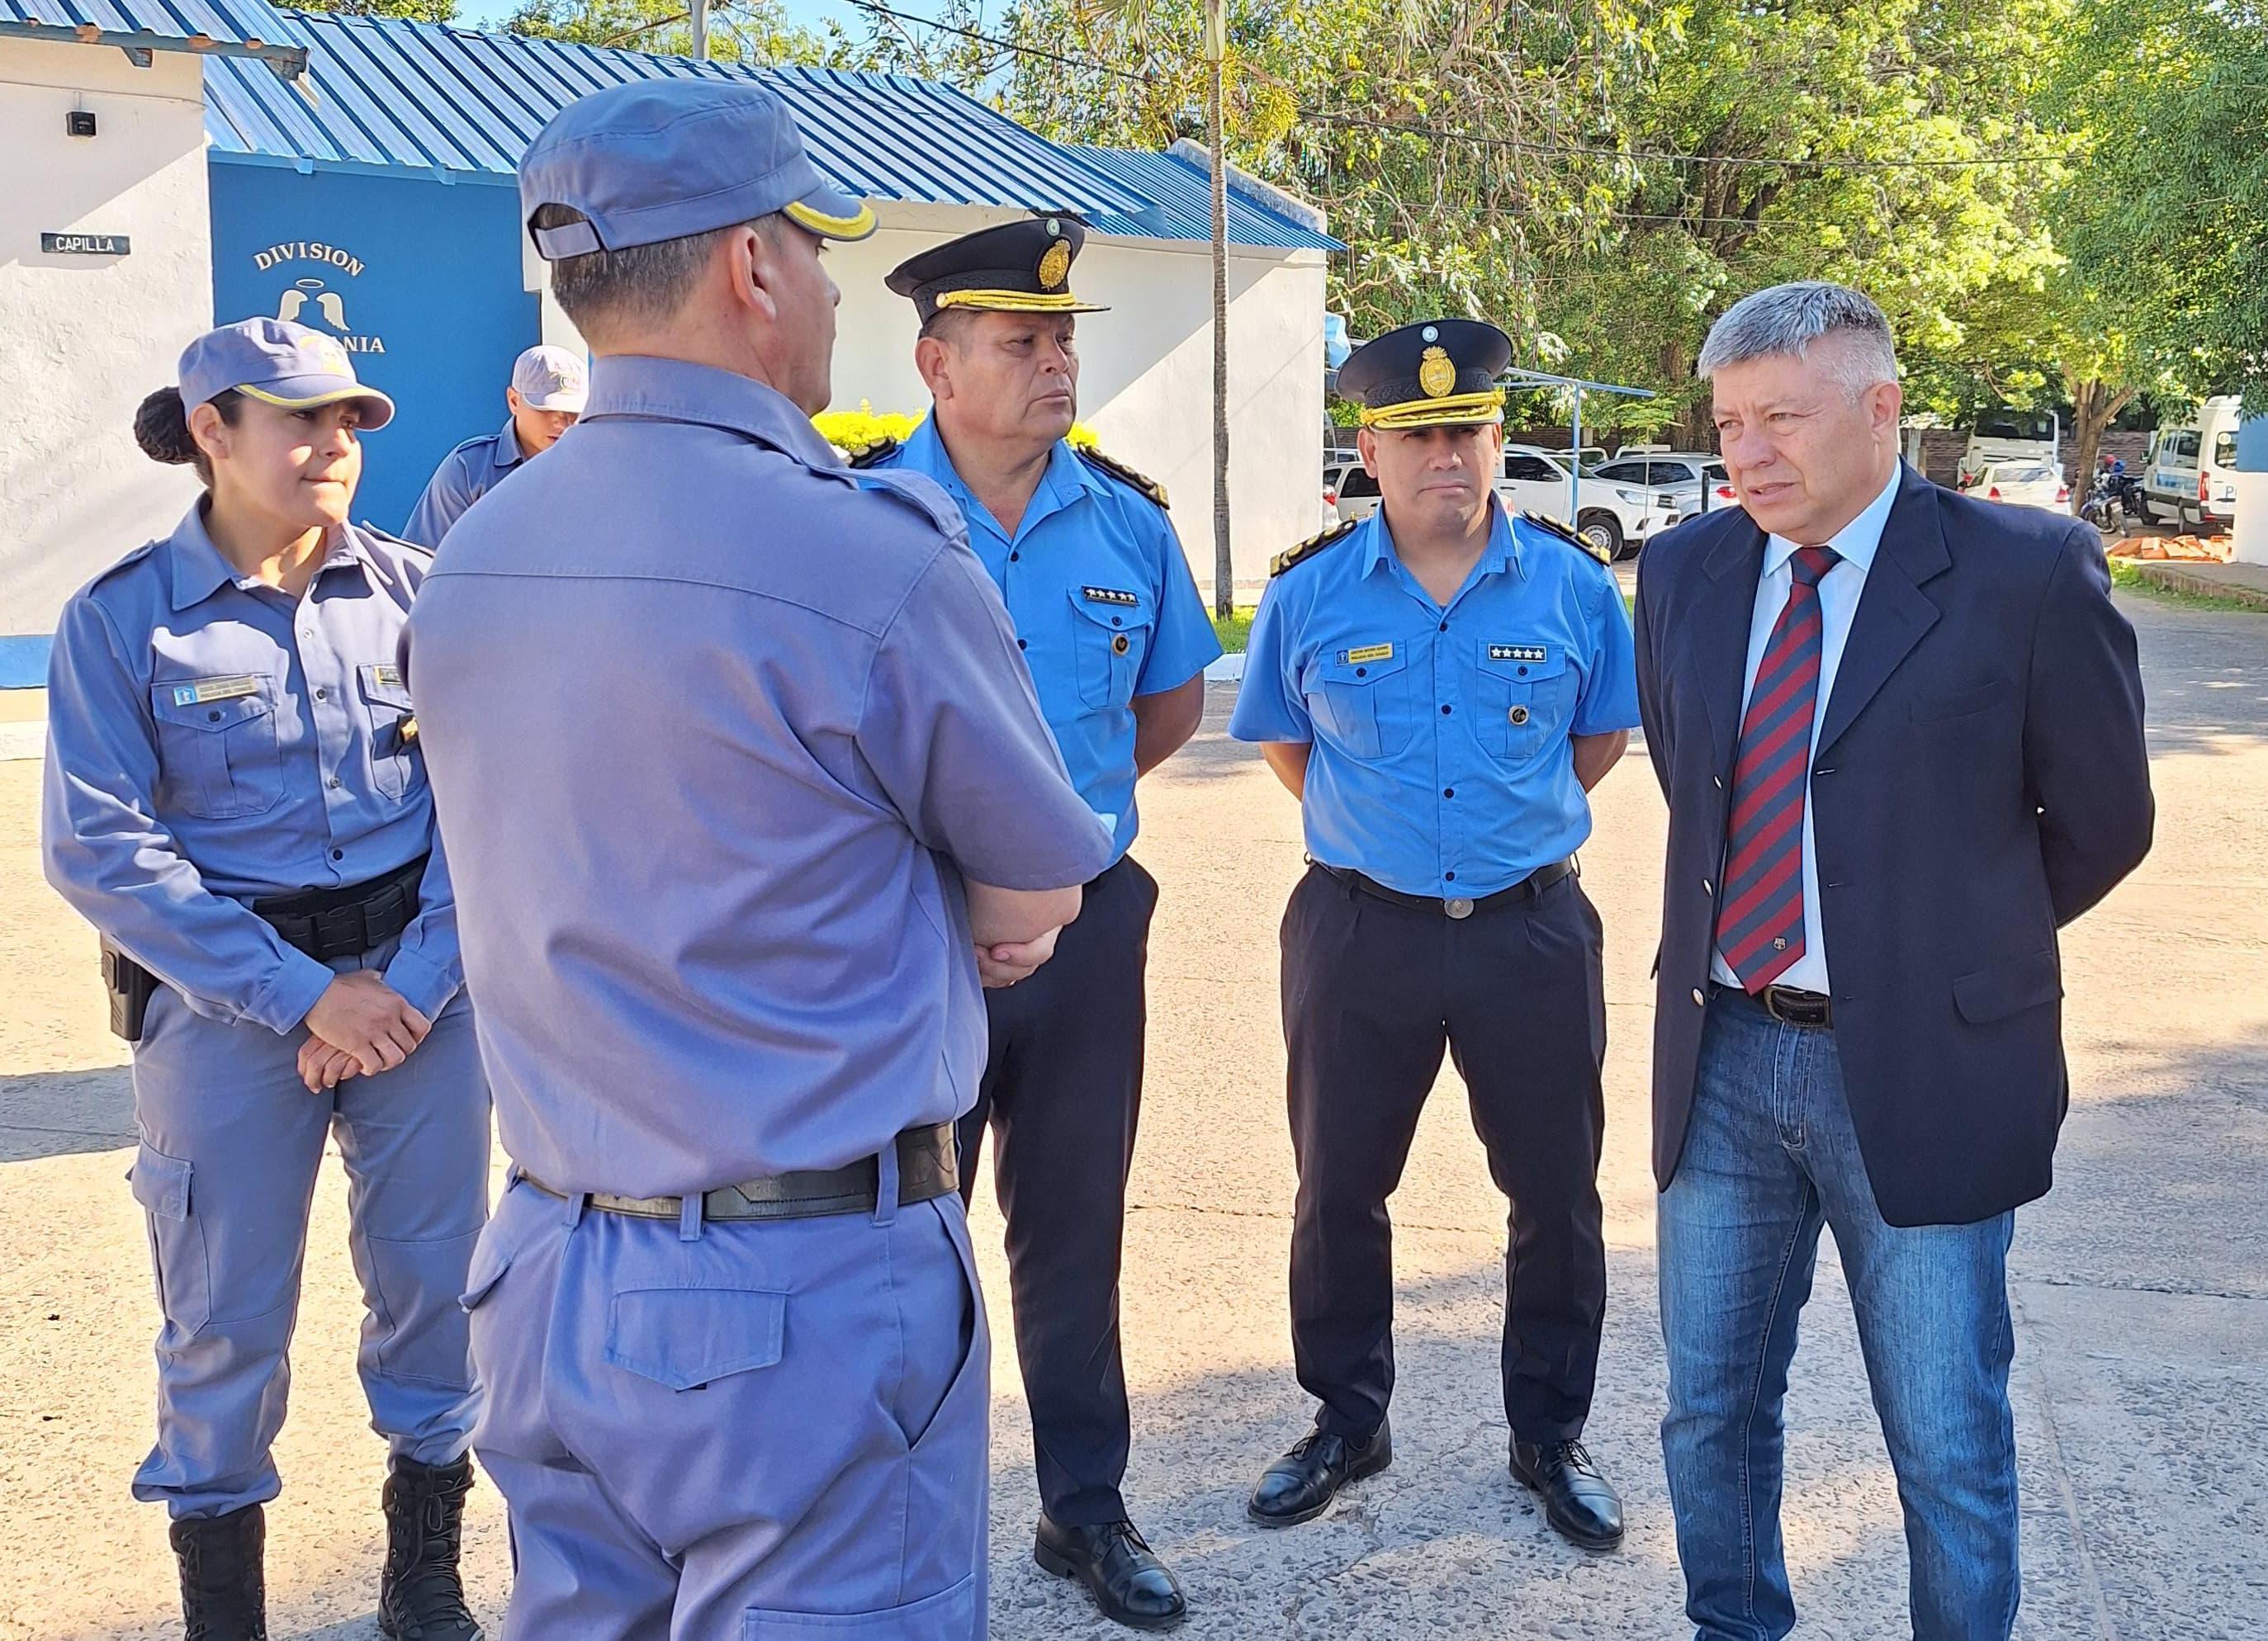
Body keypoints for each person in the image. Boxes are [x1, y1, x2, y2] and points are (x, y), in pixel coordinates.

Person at [402, 80, 1114, 1639]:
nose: (832, 287)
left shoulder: (473, 556)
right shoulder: (866, 552)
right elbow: (1037, 892)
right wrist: (940, 908)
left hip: (546, 1268)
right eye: (815, 247)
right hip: (797, 1297)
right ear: (749, 266)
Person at [1633, 281, 2153, 1640]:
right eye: (1728, 422)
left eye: (1780, 418)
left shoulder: (2027, 573)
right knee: (1710, 1408)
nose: (1746, 453)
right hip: (1722, 1050)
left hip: (1925, 1068)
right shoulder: (1685, 574)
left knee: (1944, 1435)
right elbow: (1696, 787)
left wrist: (1946, 951)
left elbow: (2105, 820)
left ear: (1881, 409)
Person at [41, 317, 490, 1641]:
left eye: (348, 419)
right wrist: (306, 997)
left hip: (420, 995)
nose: (333, 443)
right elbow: (100, 847)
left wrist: (412, 983)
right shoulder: (123, 620)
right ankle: (225, 1610)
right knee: (224, 1315)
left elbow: (487, 805)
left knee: (439, 1288)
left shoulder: (421, 596)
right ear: (210, 433)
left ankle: (424, 1579)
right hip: (230, 1012)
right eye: (299, 418)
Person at [860, 212, 1218, 1632]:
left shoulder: (1129, 523)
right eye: (1022, 342)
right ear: (936, 363)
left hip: (1086, 930)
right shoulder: (863, 520)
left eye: (1064, 340)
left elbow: (1166, 707)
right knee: (899, 1236)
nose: (1056, 362)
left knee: (1072, 1224)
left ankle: (1085, 1504)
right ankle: (893, 1514)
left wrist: (1056, 859)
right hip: (909, 935)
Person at [1228, 319, 1639, 1553]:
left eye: (1465, 430)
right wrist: (1384, 840)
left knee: (1556, 1194)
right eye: (1416, 436)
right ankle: (1348, 1420)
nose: (1445, 456)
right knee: (1339, 1189)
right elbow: (1286, 743)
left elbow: (1598, 741)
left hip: (1530, 930)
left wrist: (1502, 832)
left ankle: (1549, 1434)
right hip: (1361, 932)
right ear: (1370, 450)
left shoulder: (1573, 585)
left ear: (1499, 437)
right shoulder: (1308, 593)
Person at [400, 344, 588, 546]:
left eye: (572, 411)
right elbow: (424, 556)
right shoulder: (470, 469)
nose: (561, 421)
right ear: (514, 401)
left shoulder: (597, 469)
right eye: (545, 409)